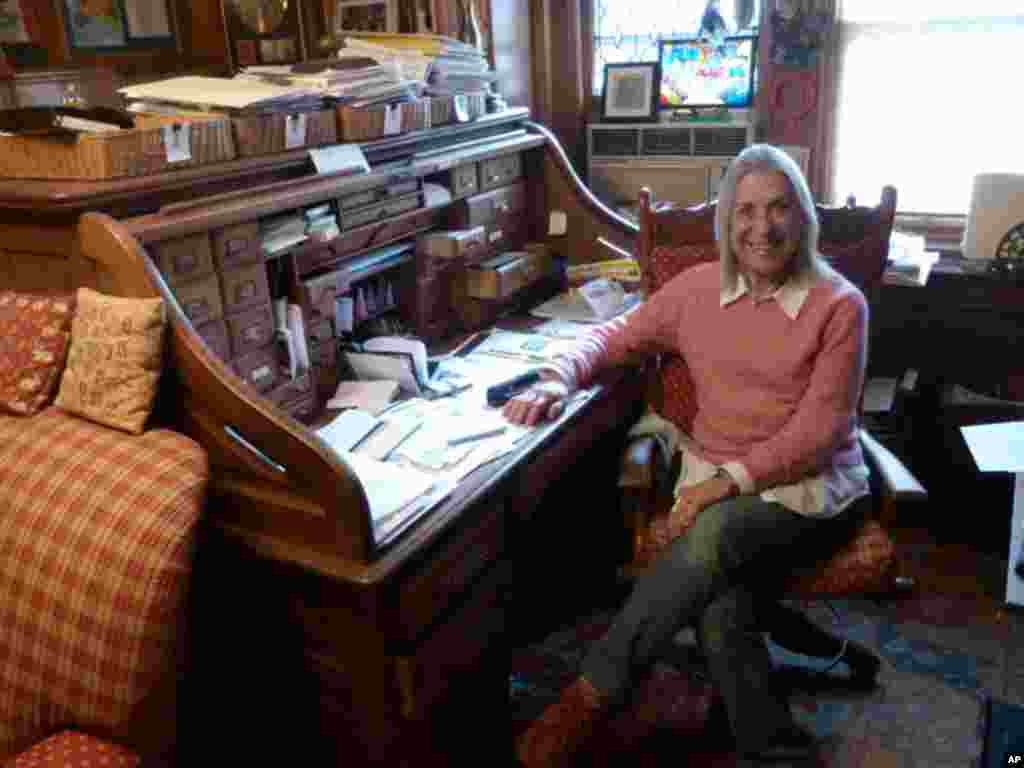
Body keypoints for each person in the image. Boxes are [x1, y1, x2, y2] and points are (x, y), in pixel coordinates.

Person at [505, 144, 881, 768]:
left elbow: (819, 433)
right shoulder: (697, 291)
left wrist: (720, 485)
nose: (763, 228)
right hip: (719, 484)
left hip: (812, 492)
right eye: (746, 211)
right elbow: (610, 337)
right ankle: (774, 747)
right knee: (720, 597)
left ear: (803, 218)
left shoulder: (840, 305)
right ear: (727, 223)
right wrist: (556, 377)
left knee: (709, 537)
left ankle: (586, 698)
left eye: (780, 209)